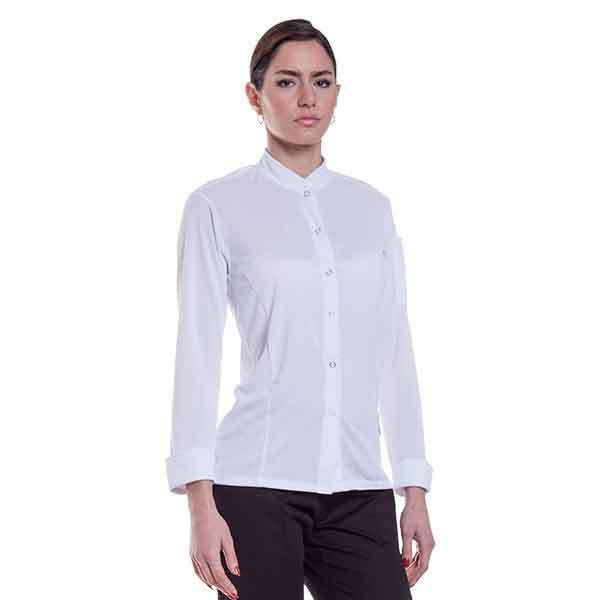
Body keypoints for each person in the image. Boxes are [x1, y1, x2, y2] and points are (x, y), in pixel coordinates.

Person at [165, 18, 435, 600]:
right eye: (287, 82)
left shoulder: (371, 209)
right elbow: (198, 355)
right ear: (254, 95)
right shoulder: (217, 205)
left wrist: (413, 486)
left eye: (322, 81)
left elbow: (393, 349)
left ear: (338, 92)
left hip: (358, 484)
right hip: (254, 483)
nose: (307, 98)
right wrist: (199, 503)